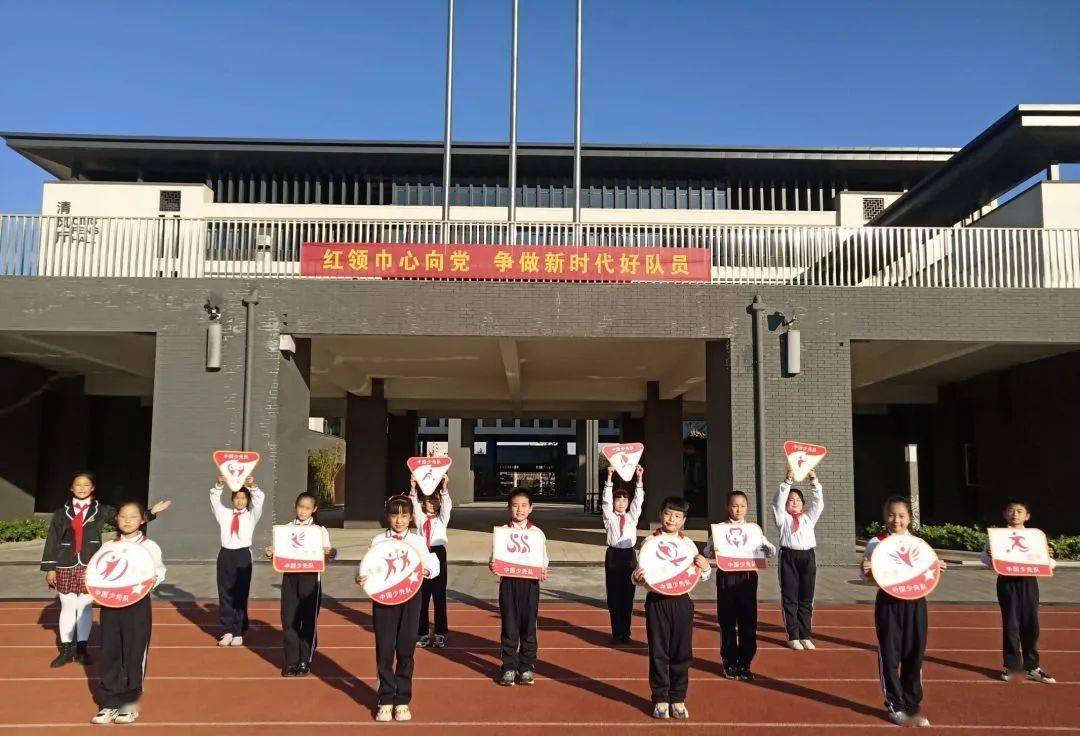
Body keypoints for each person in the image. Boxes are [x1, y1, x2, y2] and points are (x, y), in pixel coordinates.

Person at [41, 472, 170, 668]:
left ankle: (82, 649)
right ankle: (66, 650)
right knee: (67, 606)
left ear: (92, 488)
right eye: (78, 485)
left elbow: (125, 519)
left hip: (91, 565)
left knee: (84, 608)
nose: (82, 488)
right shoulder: (61, 513)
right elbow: (52, 540)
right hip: (65, 563)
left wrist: (151, 513)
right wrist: (50, 568)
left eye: (86, 485)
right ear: (71, 488)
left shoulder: (100, 510)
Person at [862, 496, 946, 728]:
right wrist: (867, 571)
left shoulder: (918, 545)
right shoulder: (876, 542)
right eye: (891, 514)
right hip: (889, 603)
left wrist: (937, 567)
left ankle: (912, 705)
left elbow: (926, 570)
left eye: (901, 515)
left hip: (916, 602)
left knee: (914, 653)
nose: (896, 520)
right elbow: (869, 578)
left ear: (909, 518)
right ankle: (895, 704)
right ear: (884, 516)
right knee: (890, 654)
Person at [357, 495, 440, 722]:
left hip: (411, 600)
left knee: (405, 649)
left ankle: (402, 699)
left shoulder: (417, 541)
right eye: (395, 515)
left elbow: (433, 563)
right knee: (384, 650)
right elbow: (367, 566)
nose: (399, 520)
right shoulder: (377, 540)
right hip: (384, 601)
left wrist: (426, 571)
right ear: (388, 516)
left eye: (404, 515)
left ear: (411, 517)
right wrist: (361, 577)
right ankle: (385, 699)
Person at [634, 496, 711, 720]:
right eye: (668, 513)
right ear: (661, 514)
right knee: (659, 652)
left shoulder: (688, 544)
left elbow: (699, 574)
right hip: (657, 602)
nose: (672, 519)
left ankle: (678, 698)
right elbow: (643, 574)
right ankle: (660, 698)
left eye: (677, 516)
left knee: (682, 653)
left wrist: (706, 568)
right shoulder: (649, 543)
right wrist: (636, 578)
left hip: (682, 602)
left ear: (684, 520)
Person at [90, 502, 167, 725]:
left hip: (137, 606)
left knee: (134, 654)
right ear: (117, 520)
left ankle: (128, 704)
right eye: (123, 516)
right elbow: (96, 574)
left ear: (142, 520)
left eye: (133, 517)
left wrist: (148, 583)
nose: (127, 520)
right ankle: (109, 703)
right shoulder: (108, 547)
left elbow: (159, 571)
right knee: (110, 653)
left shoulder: (149, 545)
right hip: (111, 607)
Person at [980, 499, 1056, 684]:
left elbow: (1049, 563)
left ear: (1027, 516)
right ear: (1005, 514)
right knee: (1011, 625)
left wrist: (1048, 556)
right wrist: (991, 557)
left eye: (1019, 511)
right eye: (1011, 510)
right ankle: (1012, 666)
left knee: (1031, 625)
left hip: (1029, 582)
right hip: (1007, 583)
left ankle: (1032, 667)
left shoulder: (1035, 537)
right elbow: (985, 558)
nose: (1015, 514)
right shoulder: (997, 537)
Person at [702, 490, 776, 680]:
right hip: (726, 577)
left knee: (748, 623)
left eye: (742, 505)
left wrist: (767, 549)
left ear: (747, 507)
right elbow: (707, 550)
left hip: (748, 578)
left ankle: (745, 663)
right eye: (735, 505)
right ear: (728, 507)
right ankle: (729, 662)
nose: (738, 509)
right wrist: (711, 550)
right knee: (727, 622)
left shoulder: (753, 530)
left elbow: (770, 549)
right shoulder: (719, 529)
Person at [266, 491, 333, 677]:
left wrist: (329, 552)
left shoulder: (320, 531)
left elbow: (329, 553)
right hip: (290, 578)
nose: (303, 511)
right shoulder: (285, 529)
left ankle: (304, 660)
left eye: (307, 508)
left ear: (314, 510)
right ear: (295, 506)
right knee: (289, 620)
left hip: (311, 580)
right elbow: (278, 552)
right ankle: (290, 662)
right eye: (300, 507)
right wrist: (272, 552)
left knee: (308, 621)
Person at [489, 489, 548, 686]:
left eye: (524, 505)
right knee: (509, 626)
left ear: (531, 508)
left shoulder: (537, 533)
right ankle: (508, 667)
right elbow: (495, 558)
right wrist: (492, 565)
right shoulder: (502, 532)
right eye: (515, 505)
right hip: (509, 583)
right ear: (509, 508)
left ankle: (526, 667)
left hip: (530, 584)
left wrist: (543, 569)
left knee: (529, 627)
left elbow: (544, 559)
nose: (519, 509)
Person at [210, 473, 264, 647]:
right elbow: (214, 500)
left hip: (242, 555)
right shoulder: (224, 514)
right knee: (225, 593)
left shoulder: (251, 516)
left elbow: (260, 499)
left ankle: (238, 631)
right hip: (226, 555)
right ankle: (227, 630)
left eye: (243, 498)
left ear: (247, 500)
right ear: (232, 499)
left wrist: (252, 485)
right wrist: (219, 485)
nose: (240, 501)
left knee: (240, 594)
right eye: (237, 498)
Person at [773, 469, 823, 649]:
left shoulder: (809, 518)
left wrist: (813, 479)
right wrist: (787, 480)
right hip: (788, 557)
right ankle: (793, 635)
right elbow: (777, 503)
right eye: (790, 500)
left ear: (803, 504)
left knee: (806, 597)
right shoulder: (783, 518)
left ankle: (806, 634)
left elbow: (819, 503)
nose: (794, 503)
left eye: (797, 500)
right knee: (790, 597)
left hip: (807, 557)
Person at [601, 464, 644, 644]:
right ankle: (615, 631)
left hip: (628, 556)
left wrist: (639, 478)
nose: (621, 503)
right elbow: (606, 502)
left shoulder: (632, 517)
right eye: (618, 500)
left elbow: (638, 501)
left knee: (627, 595)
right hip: (613, 555)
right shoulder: (609, 517)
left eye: (624, 500)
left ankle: (625, 632)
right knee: (614, 595)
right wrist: (609, 476)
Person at [409, 476, 451, 648]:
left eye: (435, 500)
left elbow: (447, 505)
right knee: (423, 597)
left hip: (438, 553)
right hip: (423, 554)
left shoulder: (442, 518)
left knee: (439, 596)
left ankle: (440, 633)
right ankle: (423, 633)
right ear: (424, 502)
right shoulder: (420, 518)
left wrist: (444, 486)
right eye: (429, 500)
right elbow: (413, 505)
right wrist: (413, 488)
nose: (432, 503)